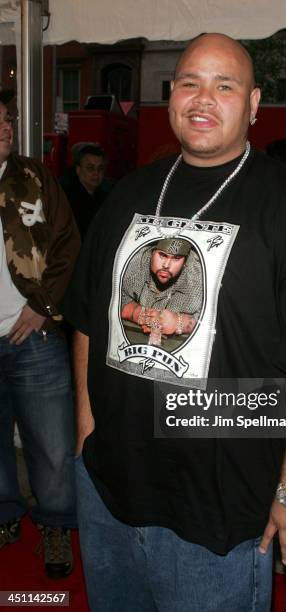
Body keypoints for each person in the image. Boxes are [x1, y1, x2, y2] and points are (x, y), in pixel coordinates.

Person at [62, 34, 286, 611]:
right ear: (171, 97)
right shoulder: (128, 194)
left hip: (218, 516)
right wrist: (86, 432)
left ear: (253, 104)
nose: (203, 98)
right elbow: (86, 317)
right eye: (189, 83)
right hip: (108, 490)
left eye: (224, 86)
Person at [0, 90, 80, 578]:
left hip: (33, 335)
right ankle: (6, 513)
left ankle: (55, 525)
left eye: (7, 119)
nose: (6, 128)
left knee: (51, 443)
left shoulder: (32, 177)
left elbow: (69, 242)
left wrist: (42, 305)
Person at [121, 237, 203, 349]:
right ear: (151, 252)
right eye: (162, 255)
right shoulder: (133, 263)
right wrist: (137, 313)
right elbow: (109, 296)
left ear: (185, 260)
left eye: (176, 258)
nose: (166, 265)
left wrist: (180, 323)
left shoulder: (200, 278)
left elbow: (216, 321)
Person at [60, 144, 111, 238]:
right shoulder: (66, 199)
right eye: (90, 168)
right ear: (78, 170)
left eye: (100, 168)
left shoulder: (107, 196)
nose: (96, 173)